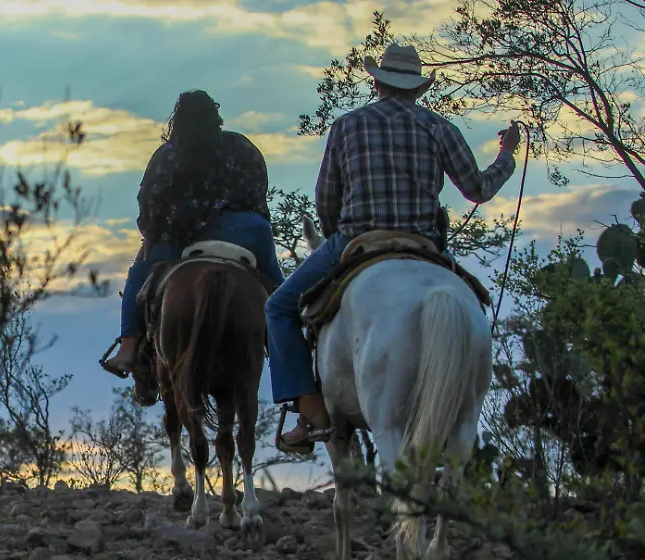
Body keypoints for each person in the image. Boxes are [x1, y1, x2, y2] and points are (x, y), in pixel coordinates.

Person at [267, 44, 521, 455]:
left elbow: (326, 200)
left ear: (377, 82)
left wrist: (337, 242)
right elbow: (477, 189)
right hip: (423, 245)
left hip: (356, 240)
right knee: (473, 301)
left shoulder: (347, 126)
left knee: (278, 308)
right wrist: (506, 154)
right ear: (418, 90)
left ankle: (310, 410)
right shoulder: (439, 128)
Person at [102, 89, 285, 377]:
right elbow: (257, 192)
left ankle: (128, 346)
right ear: (217, 118)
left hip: (180, 238)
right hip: (243, 231)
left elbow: (148, 202)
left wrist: (152, 234)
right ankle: (286, 345)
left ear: (177, 121)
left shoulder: (167, 156)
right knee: (276, 284)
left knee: (139, 275)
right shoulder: (242, 147)